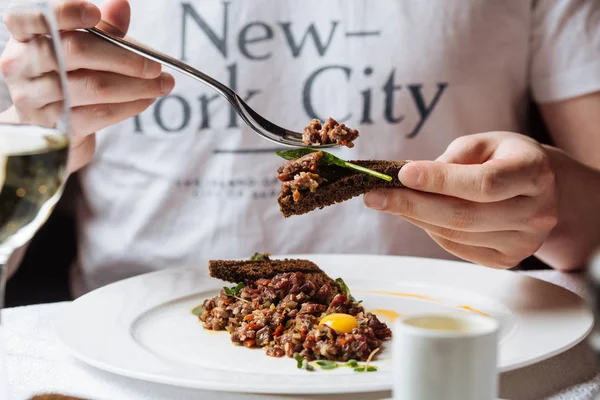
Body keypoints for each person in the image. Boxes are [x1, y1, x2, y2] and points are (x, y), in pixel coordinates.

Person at [1, 0, 599, 297]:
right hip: (124, 357)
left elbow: (593, 222)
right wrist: (34, 136)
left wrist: (558, 200)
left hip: (444, 356)